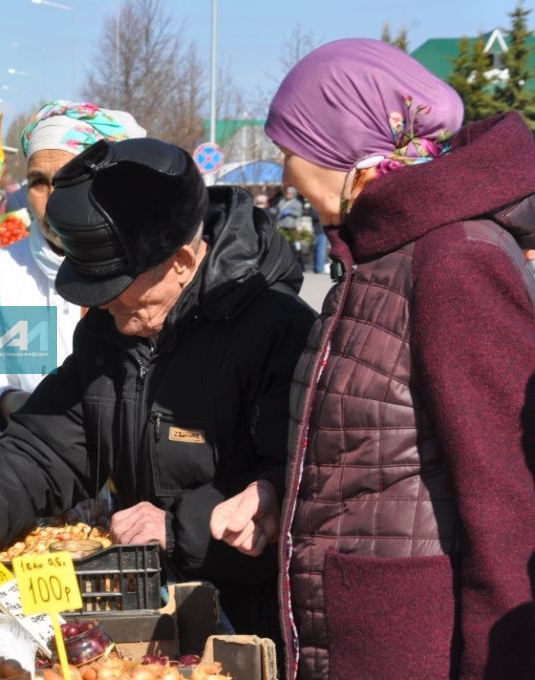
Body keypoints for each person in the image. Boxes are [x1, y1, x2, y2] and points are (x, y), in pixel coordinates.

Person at [211, 39, 535, 680]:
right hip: (364, 639)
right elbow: (375, 450)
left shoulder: (452, 261)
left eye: (289, 148)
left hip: (413, 648)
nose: (283, 175)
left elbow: (505, 500)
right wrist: (282, 494)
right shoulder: (382, 258)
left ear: (340, 143)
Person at [0, 137, 317, 642]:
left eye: (116, 292)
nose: (107, 311)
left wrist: (177, 526)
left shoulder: (279, 331)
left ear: (182, 264)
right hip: (145, 609)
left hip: (247, 620)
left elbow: (300, 482)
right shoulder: (110, 332)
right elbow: (44, 447)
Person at [0, 100, 145, 444]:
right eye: (39, 182)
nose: (53, 201)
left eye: (72, 179)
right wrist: (8, 404)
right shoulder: (14, 271)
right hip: (47, 478)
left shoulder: (151, 270)